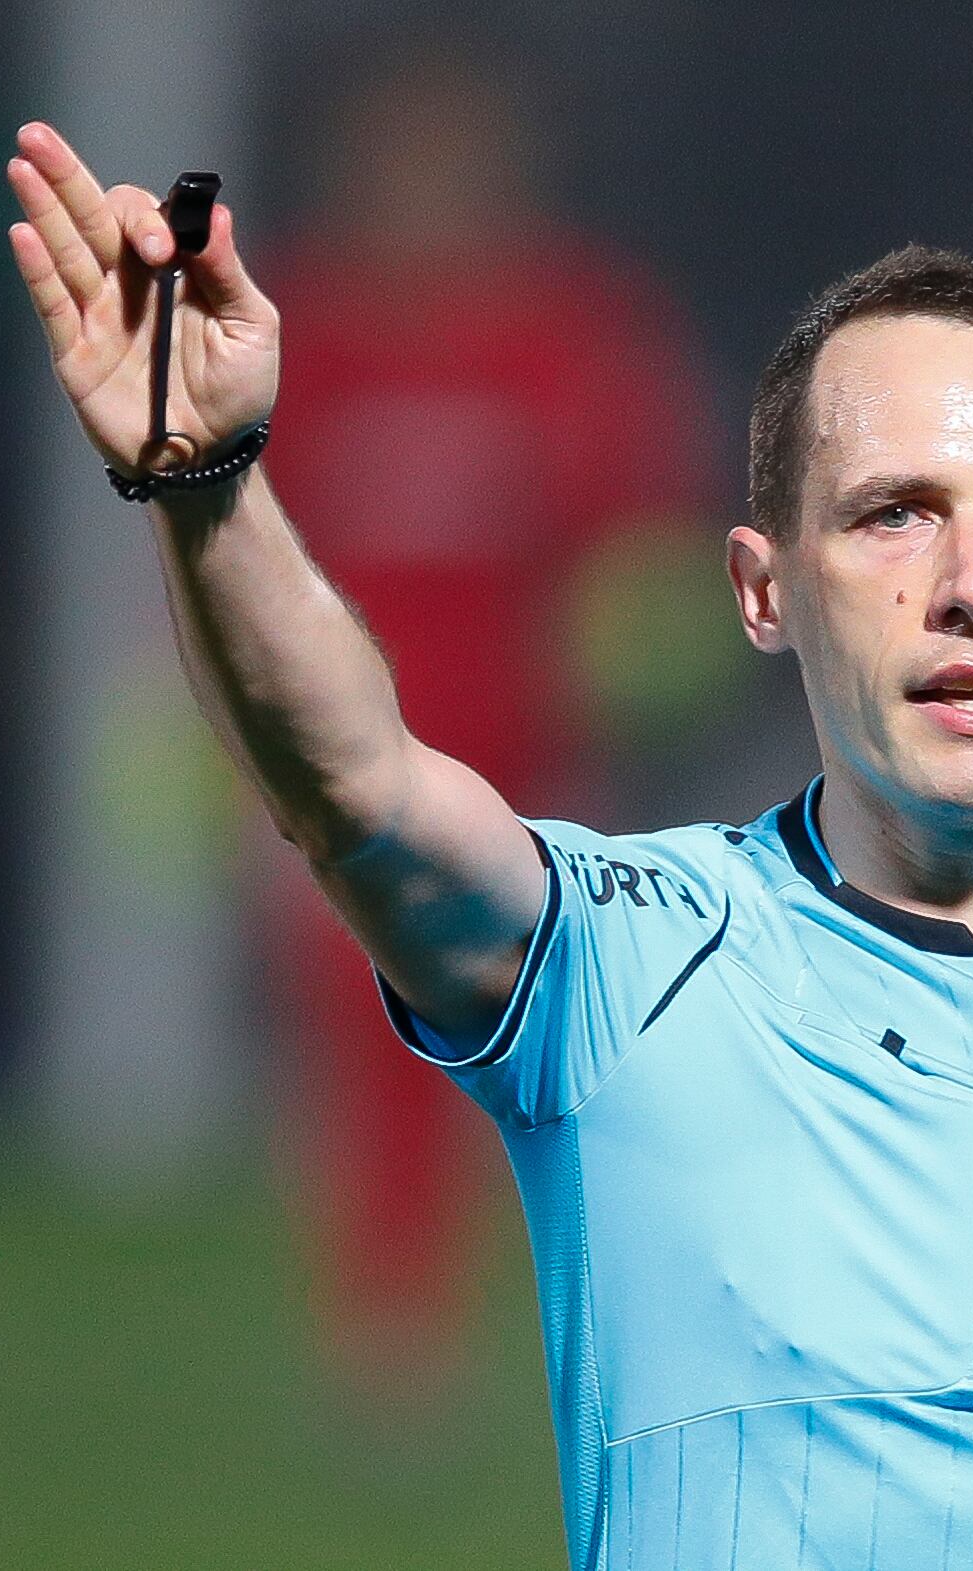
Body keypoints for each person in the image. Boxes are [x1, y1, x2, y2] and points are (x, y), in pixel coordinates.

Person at [5, 120, 973, 1571]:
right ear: (762, 589)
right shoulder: (629, 958)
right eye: (894, 516)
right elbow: (355, 788)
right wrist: (205, 485)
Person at [251, 45, 716, 1407]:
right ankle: (391, 1334)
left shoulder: (574, 330)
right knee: (367, 1040)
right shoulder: (296, 333)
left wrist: (624, 668)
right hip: (340, 782)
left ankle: (621, 1324)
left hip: (531, 778)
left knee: (579, 1057)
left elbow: (637, 536)